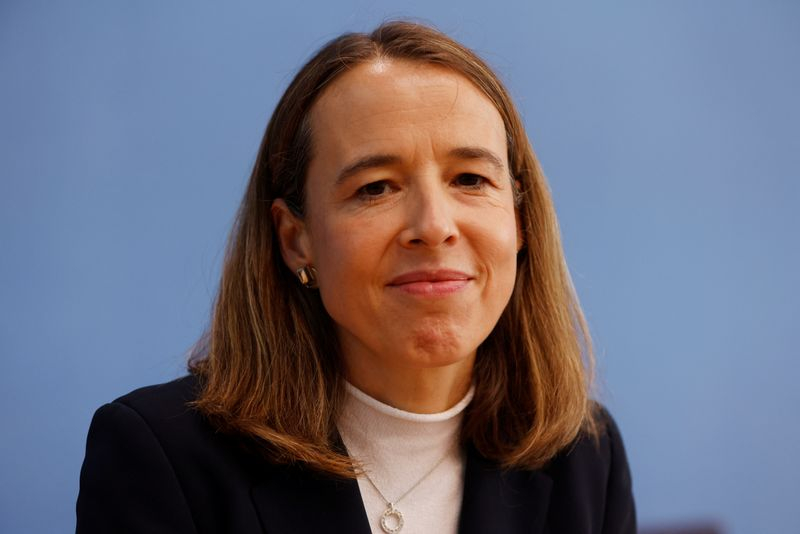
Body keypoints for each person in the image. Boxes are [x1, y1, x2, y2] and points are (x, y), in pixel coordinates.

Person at [76, 21, 635, 534]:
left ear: (520, 221)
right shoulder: (160, 457)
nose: (434, 227)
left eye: (469, 179)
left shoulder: (585, 454)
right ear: (296, 239)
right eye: (375, 188)